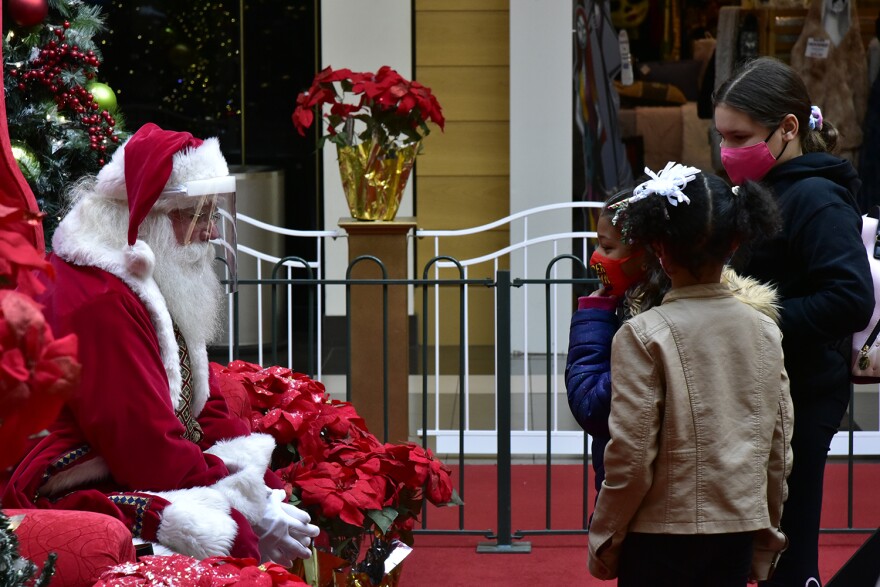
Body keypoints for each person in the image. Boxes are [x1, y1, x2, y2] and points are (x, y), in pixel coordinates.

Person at [2, 123, 320, 565]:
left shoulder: (149, 276)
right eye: (197, 214)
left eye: (213, 214)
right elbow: (143, 447)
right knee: (234, 537)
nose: (210, 232)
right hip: (71, 478)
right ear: (148, 215)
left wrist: (260, 484)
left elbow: (197, 402)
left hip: (129, 460)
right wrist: (246, 504)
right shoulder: (100, 298)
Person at [586, 162, 794, 586]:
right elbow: (778, 447)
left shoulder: (644, 334)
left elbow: (630, 457)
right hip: (736, 527)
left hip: (659, 532)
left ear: (657, 247)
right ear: (735, 241)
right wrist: (766, 525)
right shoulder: (764, 330)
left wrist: (606, 534)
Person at [713, 57, 875, 587]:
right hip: (765, 391)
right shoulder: (769, 187)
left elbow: (849, 297)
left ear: (788, 128)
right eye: (721, 137)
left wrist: (752, 317)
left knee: (788, 546)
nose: (728, 152)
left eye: (740, 137)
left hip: (802, 393)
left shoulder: (816, 197)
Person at [565, 191, 667, 498]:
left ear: (649, 253)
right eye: (597, 243)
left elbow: (592, 406)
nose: (596, 257)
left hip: (634, 486)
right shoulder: (625, 306)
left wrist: (591, 318)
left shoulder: (648, 327)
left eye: (607, 247)